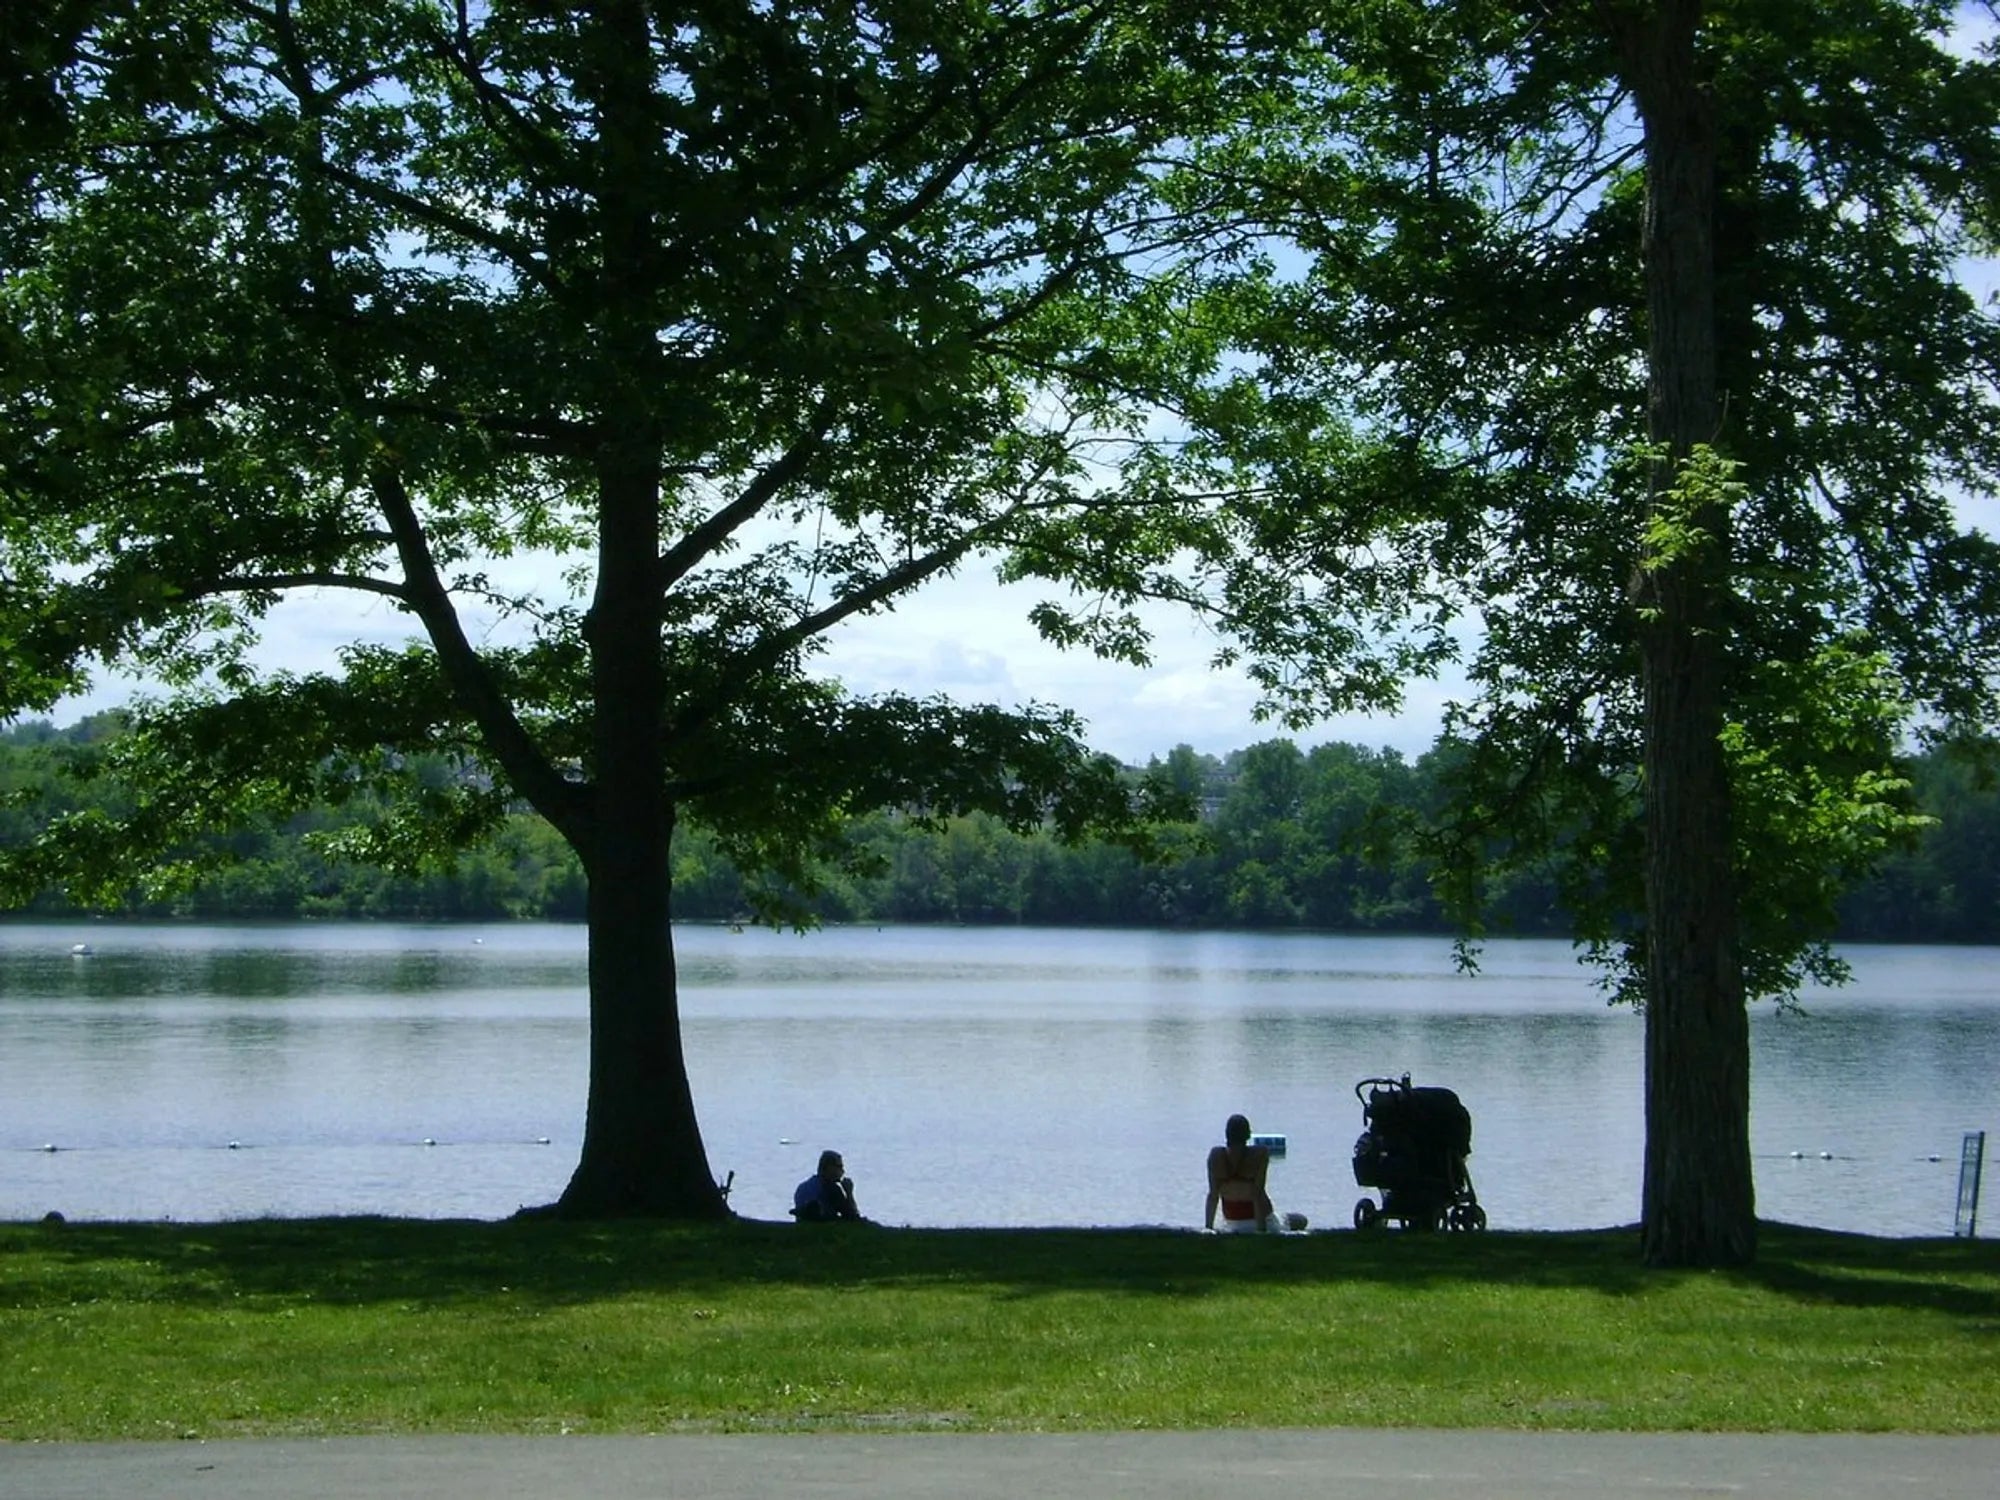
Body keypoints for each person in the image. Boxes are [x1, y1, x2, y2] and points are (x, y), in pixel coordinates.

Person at [1205, 1113, 1276, 1232]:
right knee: (1300, 1220)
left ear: (1227, 1134)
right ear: (1248, 1135)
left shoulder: (1215, 1156)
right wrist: (1261, 1232)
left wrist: (1208, 1229)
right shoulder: (1259, 1155)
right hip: (1263, 1221)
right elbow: (1257, 1196)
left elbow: (1213, 1196)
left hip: (1231, 1223)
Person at [792, 1149, 863, 1222]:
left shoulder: (802, 1186)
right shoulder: (831, 1188)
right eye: (839, 1167)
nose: (843, 1171)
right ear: (829, 1167)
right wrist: (849, 1193)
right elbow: (852, 1217)